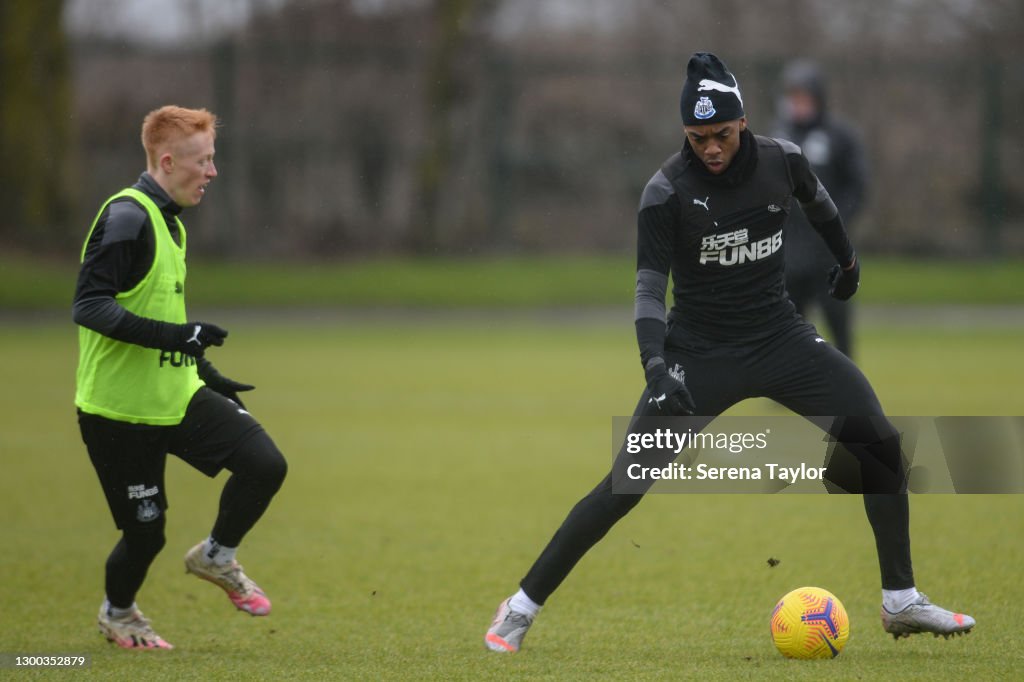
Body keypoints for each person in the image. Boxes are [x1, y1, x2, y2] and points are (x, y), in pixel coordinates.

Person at [484, 53, 973, 654]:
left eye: (721, 134)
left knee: (877, 441)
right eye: (697, 137)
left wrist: (846, 261)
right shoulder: (666, 192)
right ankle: (520, 607)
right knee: (625, 484)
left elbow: (821, 203)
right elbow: (646, 290)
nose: (711, 148)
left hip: (781, 338)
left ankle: (901, 602)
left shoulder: (782, 161)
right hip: (700, 355)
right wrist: (656, 368)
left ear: (743, 122)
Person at [74, 105, 287, 650]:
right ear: (168, 161)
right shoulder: (128, 217)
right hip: (119, 412)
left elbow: (164, 317)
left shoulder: (169, 220)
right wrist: (180, 339)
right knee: (146, 534)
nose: (213, 172)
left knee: (264, 464)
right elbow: (91, 307)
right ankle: (118, 614)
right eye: (204, 160)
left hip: (178, 394)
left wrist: (207, 372)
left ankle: (216, 556)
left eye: (213, 158)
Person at [773, 59, 867, 358]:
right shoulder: (778, 137)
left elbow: (857, 185)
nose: (799, 105)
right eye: (794, 98)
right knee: (788, 326)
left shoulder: (840, 136)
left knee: (838, 322)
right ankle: (788, 387)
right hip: (790, 252)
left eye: (805, 98)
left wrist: (837, 222)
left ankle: (849, 386)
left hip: (829, 252)